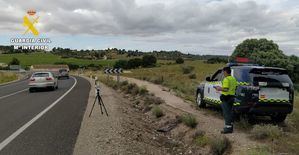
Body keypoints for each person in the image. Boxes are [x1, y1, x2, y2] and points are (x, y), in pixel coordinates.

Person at [214, 67, 238, 134]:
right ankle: (231, 126)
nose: (223, 73)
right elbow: (236, 87)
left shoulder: (226, 79)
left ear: (225, 72)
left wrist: (218, 88)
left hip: (226, 98)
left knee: (226, 113)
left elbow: (226, 89)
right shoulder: (233, 79)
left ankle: (228, 128)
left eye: (223, 72)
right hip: (232, 97)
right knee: (230, 112)